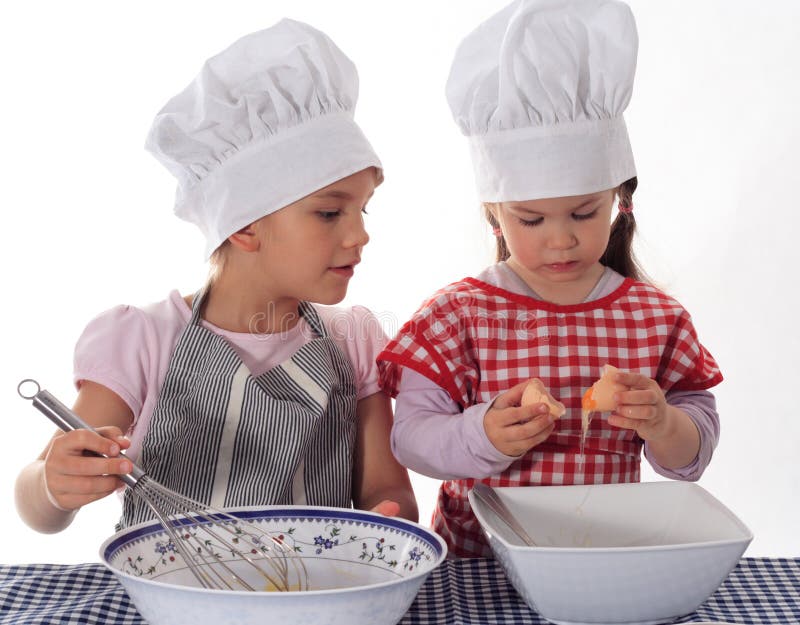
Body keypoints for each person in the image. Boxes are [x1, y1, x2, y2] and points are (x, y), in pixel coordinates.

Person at [16, 19, 418, 534]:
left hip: (317, 594)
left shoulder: (353, 340)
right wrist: (54, 484)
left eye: (364, 210)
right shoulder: (143, 339)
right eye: (329, 213)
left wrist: (390, 519)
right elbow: (39, 507)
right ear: (245, 225)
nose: (359, 236)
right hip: (178, 591)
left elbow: (387, 490)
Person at [377, 0, 721, 558]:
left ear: (619, 199)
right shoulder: (460, 314)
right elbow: (410, 438)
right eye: (531, 220)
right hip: (476, 568)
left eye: (584, 213)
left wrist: (663, 422)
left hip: (601, 559)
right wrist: (482, 435)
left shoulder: (656, 317)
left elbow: (693, 456)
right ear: (494, 212)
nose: (559, 240)